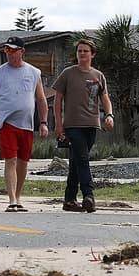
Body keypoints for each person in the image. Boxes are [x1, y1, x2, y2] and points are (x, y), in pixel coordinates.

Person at [0, 36, 48, 212]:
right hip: (7, 123)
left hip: (27, 124)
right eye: (7, 50)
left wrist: (43, 122)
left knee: (23, 162)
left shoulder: (34, 73)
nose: (9, 54)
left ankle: (18, 197)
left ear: (22, 52)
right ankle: (11, 200)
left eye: (13, 50)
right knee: (10, 160)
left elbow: (41, 99)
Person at [52, 39, 114, 213]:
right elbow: (57, 99)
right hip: (72, 125)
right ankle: (89, 195)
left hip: (92, 124)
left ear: (92, 54)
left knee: (76, 161)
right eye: (79, 51)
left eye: (85, 51)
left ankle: (69, 200)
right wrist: (58, 124)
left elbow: (105, 98)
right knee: (83, 158)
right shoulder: (68, 73)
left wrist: (109, 115)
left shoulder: (98, 75)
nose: (82, 54)